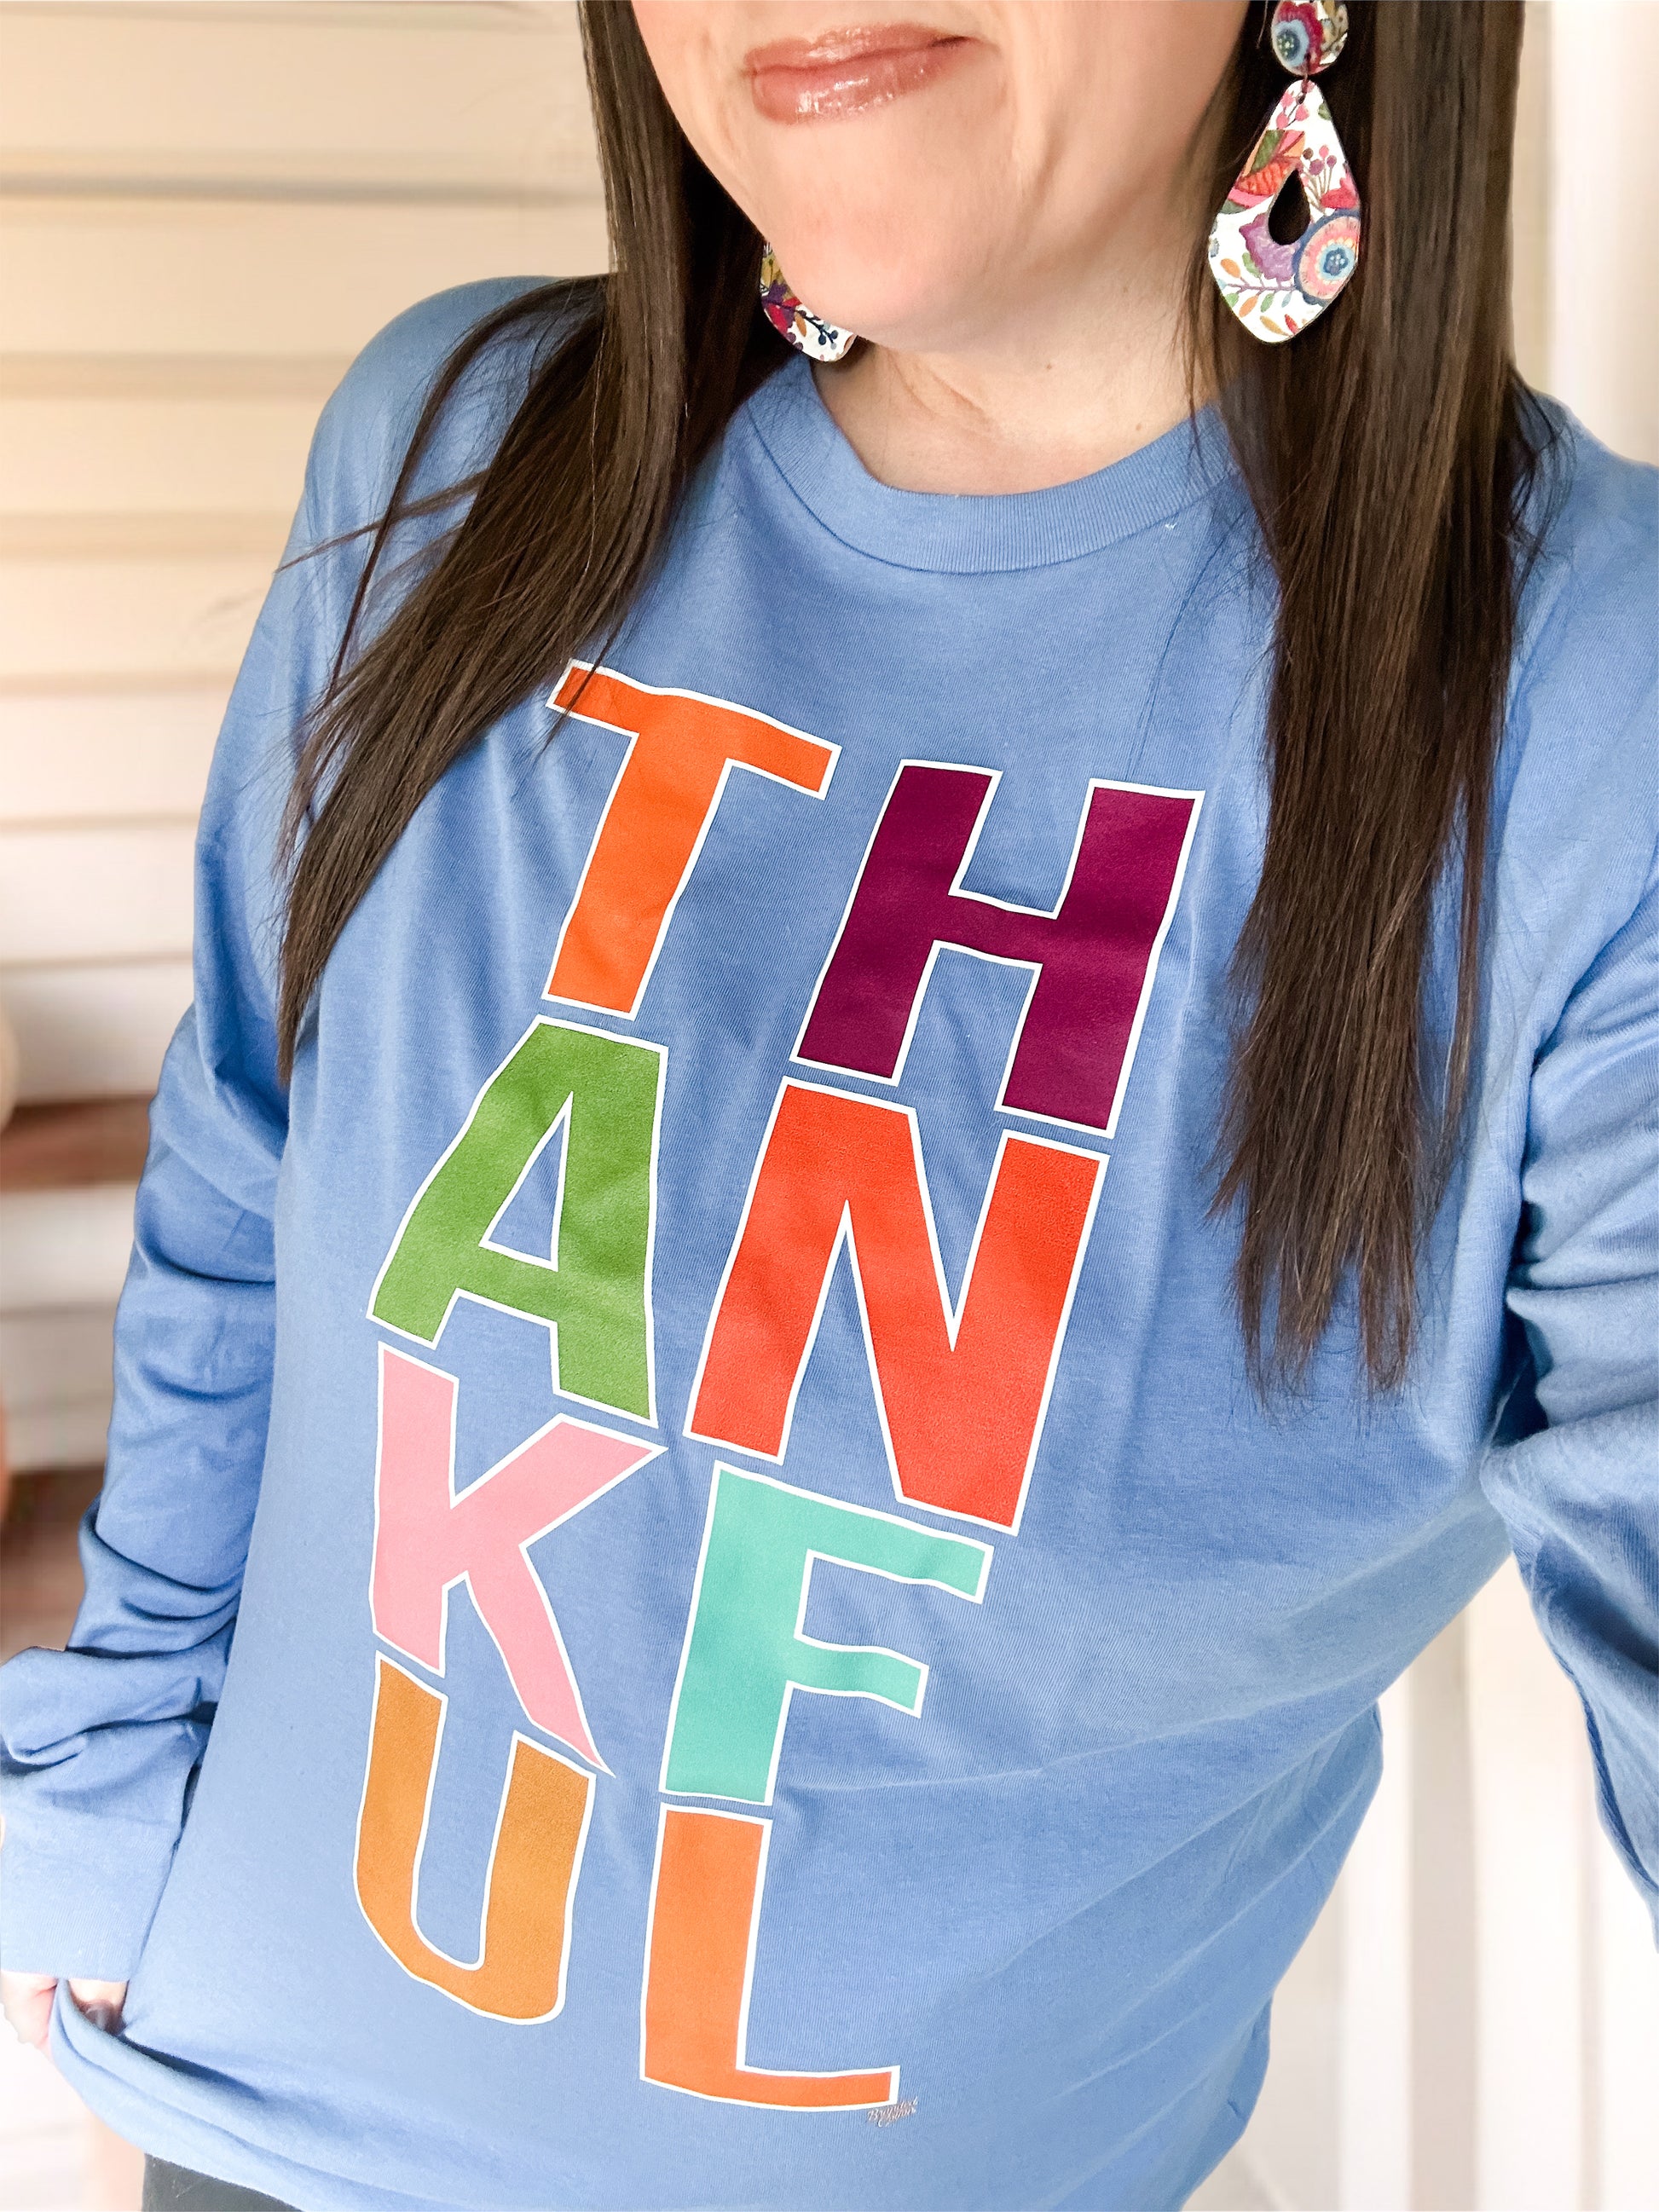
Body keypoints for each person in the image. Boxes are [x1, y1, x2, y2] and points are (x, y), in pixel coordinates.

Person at [3, 4, 1654, 2209]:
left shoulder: (1590, 714)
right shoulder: (463, 434)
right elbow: (248, 1154)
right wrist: (99, 1813)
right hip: (240, 2125)